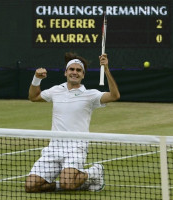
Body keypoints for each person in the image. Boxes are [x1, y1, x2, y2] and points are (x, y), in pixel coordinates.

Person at [25, 52, 120, 193]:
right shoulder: (56, 90)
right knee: (30, 186)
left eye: (78, 70)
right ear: (66, 72)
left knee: (68, 184)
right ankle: (69, 184)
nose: (74, 72)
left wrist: (106, 69)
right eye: (72, 69)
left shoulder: (90, 95)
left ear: (83, 75)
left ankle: (94, 172)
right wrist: (36, 79)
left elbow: (114, 95)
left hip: (75, 148)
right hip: (53, 149)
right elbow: (33, 97)